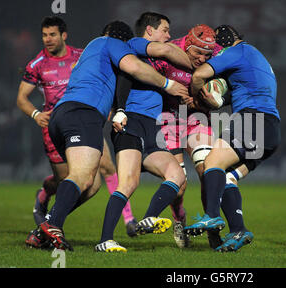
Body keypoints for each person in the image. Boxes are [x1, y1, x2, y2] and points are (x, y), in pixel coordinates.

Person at [37, 20, 189, 251]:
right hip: (82, 113)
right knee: (82, 175)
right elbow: (134, 68)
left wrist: (118, 109)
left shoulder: (90, 52)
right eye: (165, 30)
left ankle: (43, 231)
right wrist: (169, 83)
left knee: (92, 184)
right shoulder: (113, 43)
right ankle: (54, 225)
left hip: (67, 115)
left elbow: (118, 83)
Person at [18, 17, 137, 244]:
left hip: (75, 118)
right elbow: (21, 98)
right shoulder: (38, 64)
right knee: (73, 178)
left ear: (64, 35)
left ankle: (46, 228)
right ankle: (51, 216)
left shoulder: (85, 54)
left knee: (92, 183)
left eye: (52, 34)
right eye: (44, 35)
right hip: (76, 116)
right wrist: (35, 114)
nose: (47, 39)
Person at [95, 16, 193, 253]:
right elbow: (166, 49)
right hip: (132, 122)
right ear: (149, 31)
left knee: (177, 176)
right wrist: (195, 63)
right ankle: (104, 240)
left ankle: (149, 218)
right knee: (128, 183)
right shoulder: (136, 44)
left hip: (153, 126)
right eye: (165, 30)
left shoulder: (149, 59)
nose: (168, 36)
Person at [184, 25, 281, 252]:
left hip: (252, 120)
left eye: (216, 42)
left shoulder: (238, 51)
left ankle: (211, 216)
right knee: (227, 178)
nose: (214, 50)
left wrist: (197, 98)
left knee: (212, 162)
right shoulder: (255, 58)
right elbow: (229, 96)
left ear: (225, 39)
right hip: (270, 129)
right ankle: (238, 229)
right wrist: (215, 100)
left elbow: (200, 75)